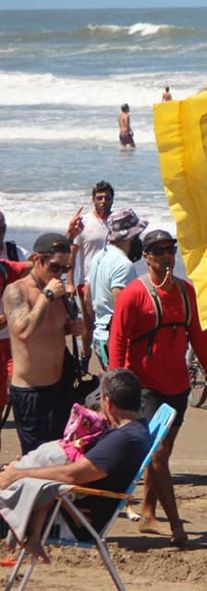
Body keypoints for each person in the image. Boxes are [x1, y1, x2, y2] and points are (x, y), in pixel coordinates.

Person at [108, 229, 207, 546]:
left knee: (159, 455)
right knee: (158, 456)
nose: (166, 256)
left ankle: (148, 515)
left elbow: (201, 343)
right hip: (143, 388)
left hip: (177, 388)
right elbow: (117, 342)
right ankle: (176, 524)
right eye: (159, 251)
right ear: (146, 256)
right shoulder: (134, 294)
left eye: (170, 249)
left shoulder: (187, 293)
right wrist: (113, 392)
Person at [0, 368, 150, 563]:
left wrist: (19, 474)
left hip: (72, 520)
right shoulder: (132, 431)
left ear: (108, 402)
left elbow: (73, 475)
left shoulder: (123, 440)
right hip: (65, 505)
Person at [2, 234, 84, 455]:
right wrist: (46, 296)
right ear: (37, 259)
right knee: (37, 459)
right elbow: (23, 332)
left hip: (60, 388)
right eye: (54, 267)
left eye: (64, 269)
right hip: (31, 392)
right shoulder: (17, 291)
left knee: (62, 454)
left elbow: (56, 328)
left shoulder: (58, 293)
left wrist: (75, 327)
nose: (58, 274)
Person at [85, 208, 148, 369]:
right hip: (113, 341)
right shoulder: (122, 264)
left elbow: (87, 297)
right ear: (130, 236)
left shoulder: (98, 257)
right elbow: (123, 309)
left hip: (100, 336)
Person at [69, 180, 115, 370]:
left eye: (107, 197)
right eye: (99, 197)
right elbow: (72, 254)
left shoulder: (117, 222)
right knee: (90, 327)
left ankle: (109, 361)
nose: (103, 200)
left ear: (112, 199)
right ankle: (85, 355)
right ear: (93, 199)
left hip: (111, 282)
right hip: (87, 282)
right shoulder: (84, 222)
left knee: (110, 325)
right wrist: (70, 283)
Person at [0, 218, 32, 428]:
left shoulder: (14, 253)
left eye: (1, 228)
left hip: (14, 336)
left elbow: (40, 266)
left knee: (16, 392)